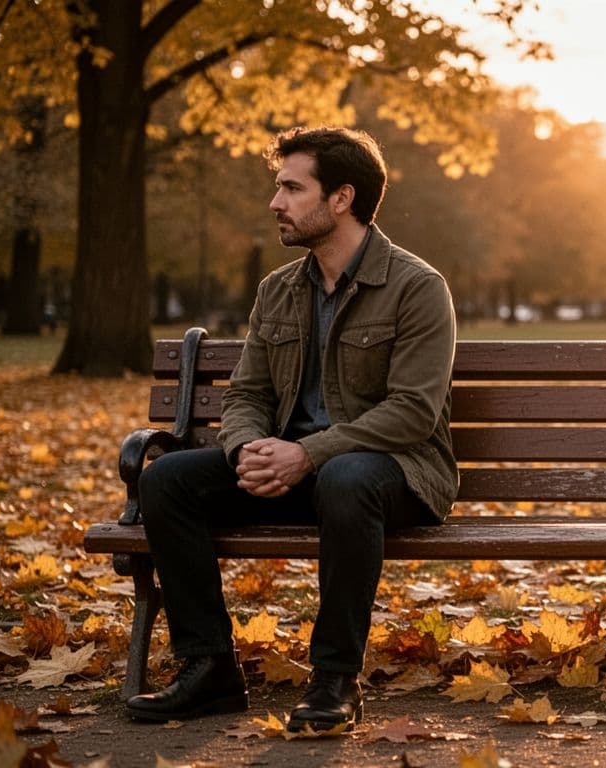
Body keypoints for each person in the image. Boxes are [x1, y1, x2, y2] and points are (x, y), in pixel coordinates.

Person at [125, 127, 457, 733]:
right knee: (167, 481)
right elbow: (249, 394)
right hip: (293, 469)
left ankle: (335, 680)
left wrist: (305, 453)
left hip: (394, 476)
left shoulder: (417, 287)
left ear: (341, 198)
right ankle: (209, 670)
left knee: (348, 478)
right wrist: (249, 448)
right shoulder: (277, 290)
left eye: (291, 187)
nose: (275, 202)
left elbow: (412, 411)